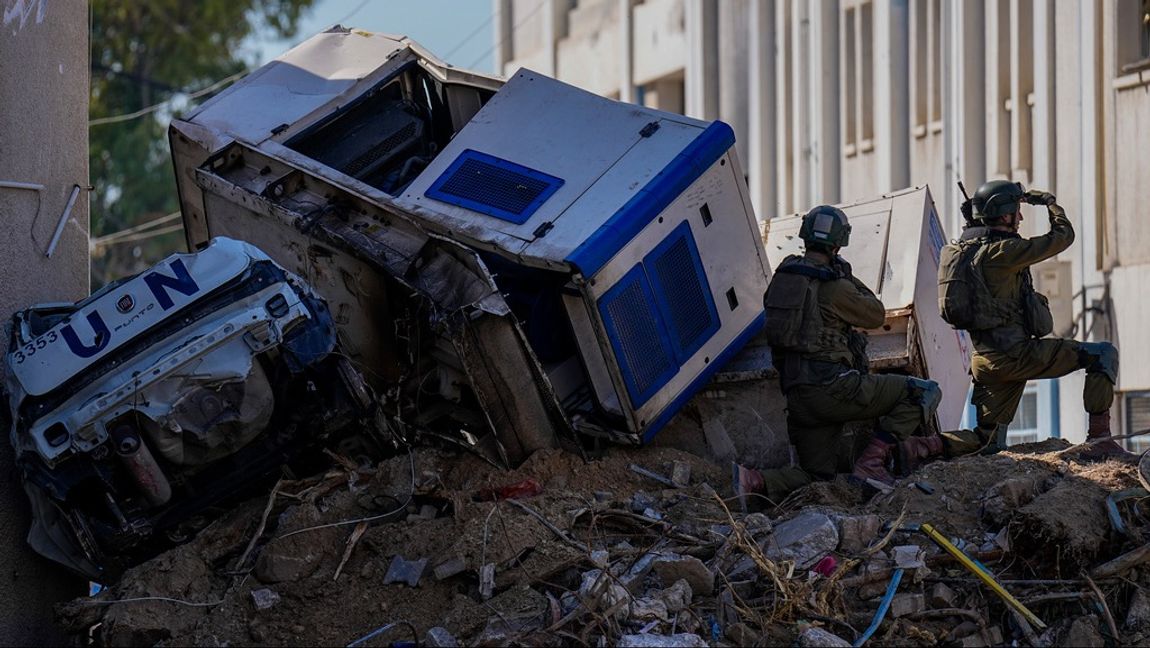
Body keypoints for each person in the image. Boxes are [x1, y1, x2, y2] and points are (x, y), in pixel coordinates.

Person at [733, 205, 948, 506]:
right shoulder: (835, 287)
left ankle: (752, 481)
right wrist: (848, 276)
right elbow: (875, 314)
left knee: (816, 476)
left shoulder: (783, 280)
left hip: (797, 396)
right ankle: (871, 464)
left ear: (805, 237)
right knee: (921, 392)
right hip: (833, 389)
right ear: (838, 244)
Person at [938, 180, 1125, 457]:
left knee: (986, 440)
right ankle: (1100, 444)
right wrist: (1050, 203)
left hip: (986, 361)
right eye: (1016, 211)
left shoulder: (959, 252)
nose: (1021, 217)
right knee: (1103, 355)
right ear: (1004, 216)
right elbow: (1063, 236)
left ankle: (916, 447)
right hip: (1018, 355)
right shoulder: (1004, 252)